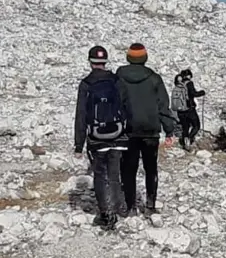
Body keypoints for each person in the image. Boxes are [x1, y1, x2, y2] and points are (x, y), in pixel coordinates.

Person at [116, 43, 175, 215]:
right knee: (151, 169)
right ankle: (150, 206)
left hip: (128, 130)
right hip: (150, 131)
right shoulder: (154, 78)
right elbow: (163, 106)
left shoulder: (119, 77)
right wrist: (169, 129)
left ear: (128, 57)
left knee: (128, 169)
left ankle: (130, 207)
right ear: (145, 58)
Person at [74, 46, 128, 230]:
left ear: (90, 61)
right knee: (114, 173)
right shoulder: (116, 81)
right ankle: (118, 208)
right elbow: (126, 107)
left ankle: (106, 214)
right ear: (105, 61)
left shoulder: (86, 84)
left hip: (97, 137)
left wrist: (78, 145)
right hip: (118, 134)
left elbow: (81, 115)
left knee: (100, 174)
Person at [180, 68, 205, 148]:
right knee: (196, 125)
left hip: (181, 110)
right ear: (189, 76)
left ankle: (184, 141)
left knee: (185, 127)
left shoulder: (179, 84)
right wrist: (202, 92)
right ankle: (189, 139)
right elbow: (193, 93)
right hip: (190, 108)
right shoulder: (189, 83)